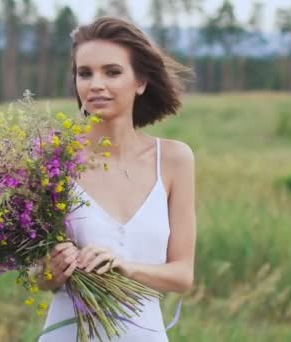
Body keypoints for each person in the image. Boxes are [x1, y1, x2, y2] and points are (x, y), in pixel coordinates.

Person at [37, 16, 196, 341]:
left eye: (112, 72)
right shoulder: (54, 162)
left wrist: (126, 267)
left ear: (140, 81)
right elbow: (39, 276)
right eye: (85, 73)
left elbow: (182, 274)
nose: (96, 84)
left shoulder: (174, 160)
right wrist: (49, 272)